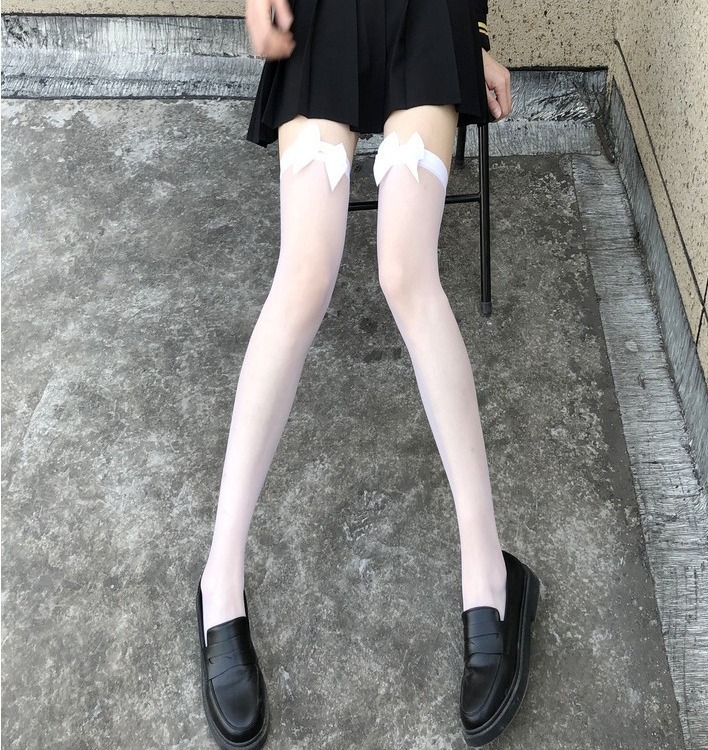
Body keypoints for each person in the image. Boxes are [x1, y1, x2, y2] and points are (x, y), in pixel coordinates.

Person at [195, 1, 540, 747]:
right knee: (303, 279)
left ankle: (491, 574)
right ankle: (219, 577)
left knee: (406, 275)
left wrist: (476, 37)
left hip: (428, 14)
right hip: (322, 16)